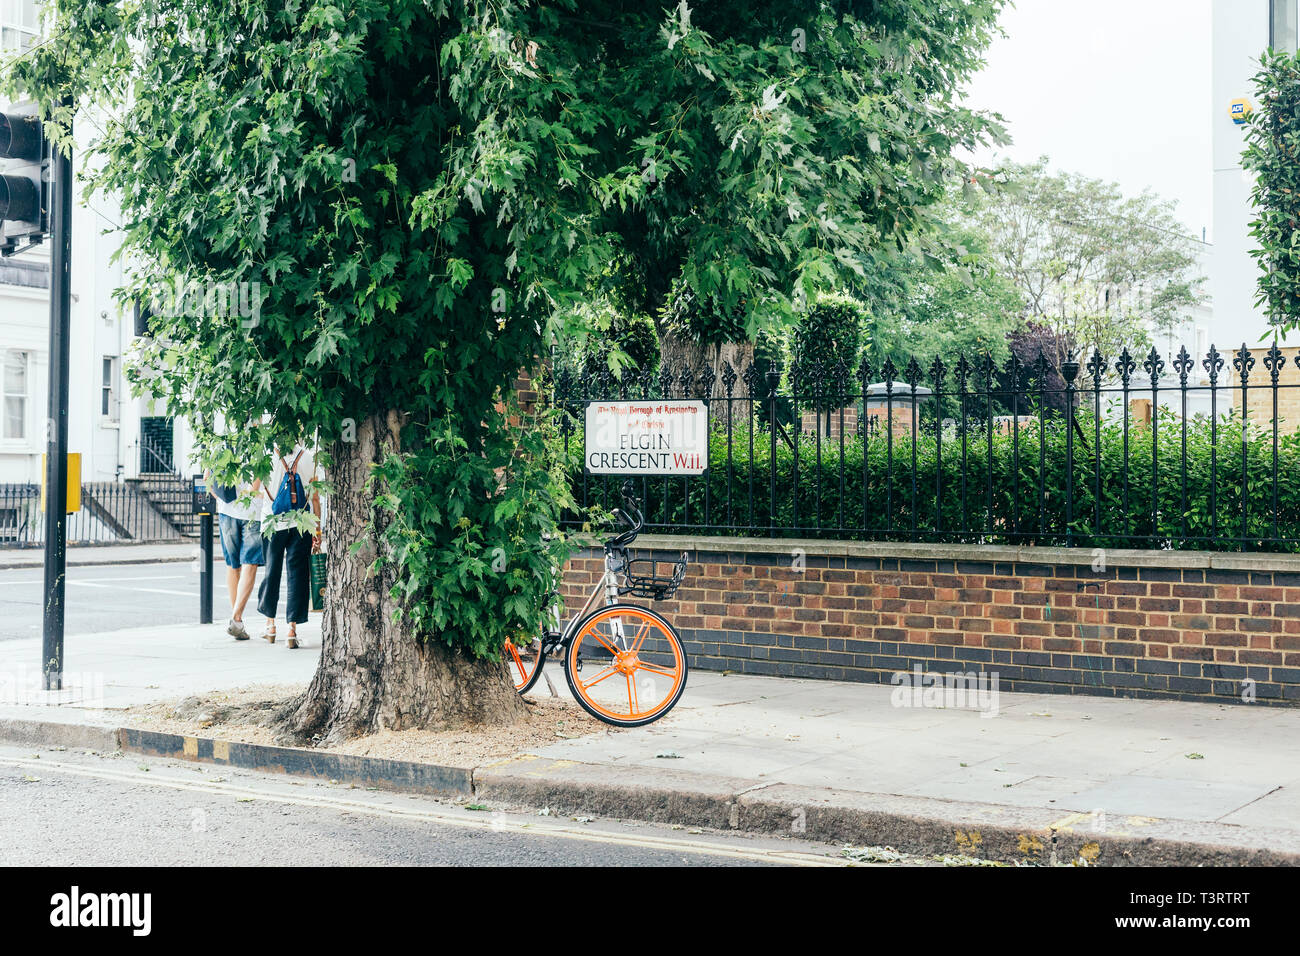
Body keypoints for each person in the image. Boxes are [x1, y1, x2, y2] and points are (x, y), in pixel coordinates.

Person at [256, 441, 321, 649]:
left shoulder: (265, 455)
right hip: (301, 523)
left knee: (271, 571)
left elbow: (254, 489)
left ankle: (270, 625)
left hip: (272, 522)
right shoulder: (309, 457)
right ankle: (292, 629)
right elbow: (315, 497)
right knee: (297, 574)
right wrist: (317, 530)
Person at [207, 470, 263, 641]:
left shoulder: (218, 444)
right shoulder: (260, 445)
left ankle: (237, 621)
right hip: (252, 512)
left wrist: (222, 500)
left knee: (233, 565)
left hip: (227, 510)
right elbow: (256, 485)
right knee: (250, 563)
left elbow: (207, 479)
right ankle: (236, 618)